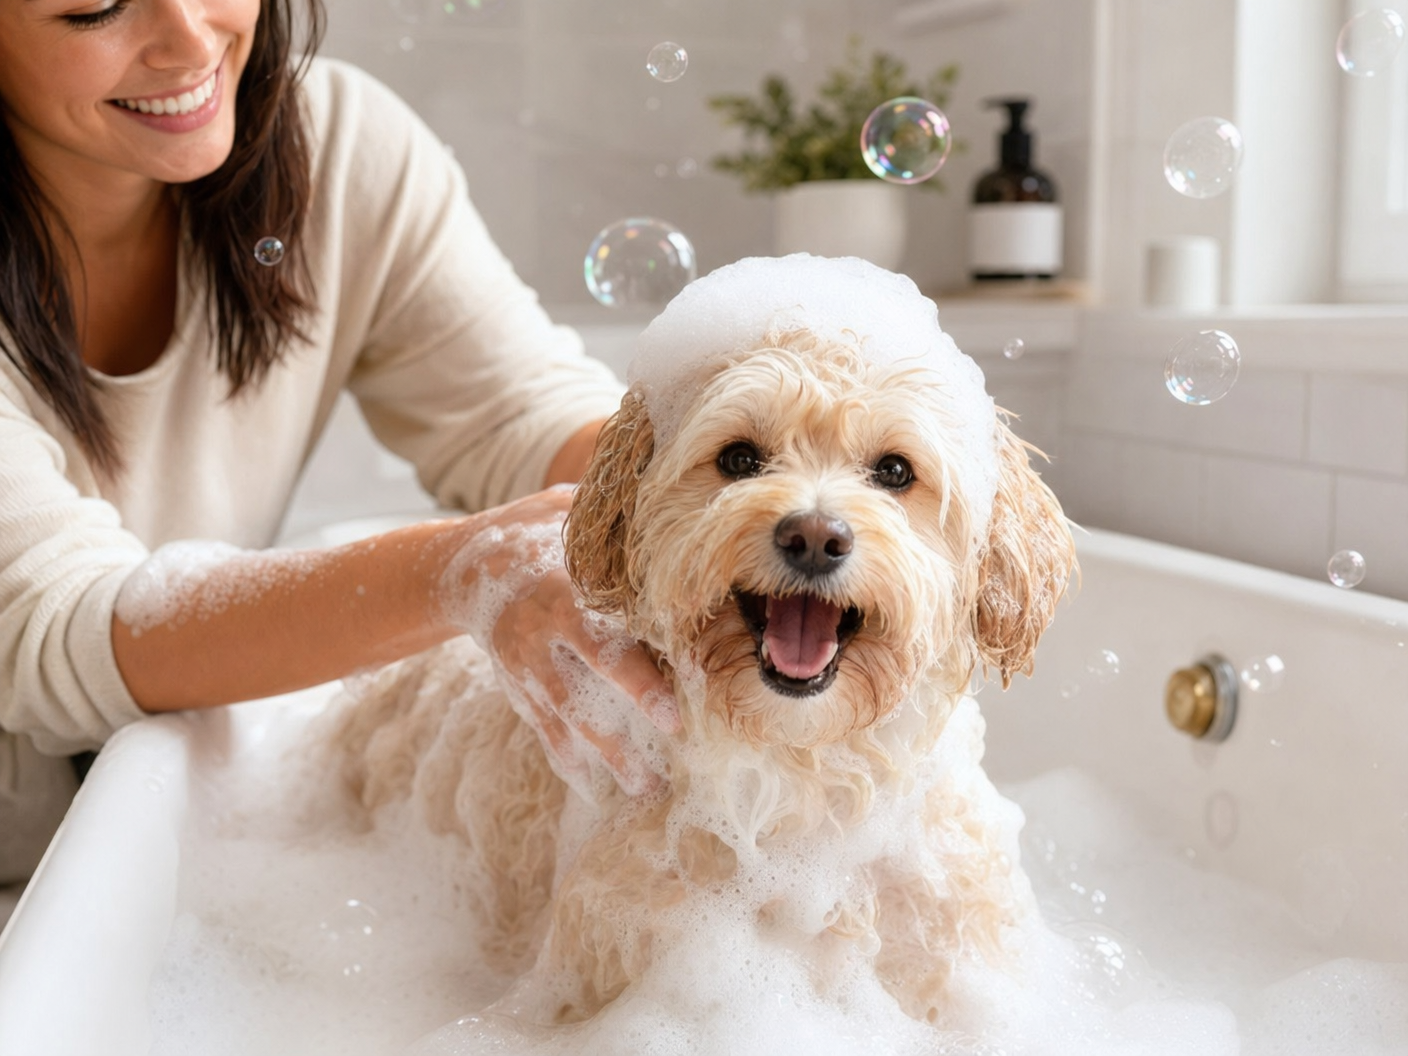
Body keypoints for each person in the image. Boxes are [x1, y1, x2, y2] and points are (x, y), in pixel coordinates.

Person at [0, 0, 676, 886]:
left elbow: (518, 413)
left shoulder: (341, 146)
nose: (192, 42)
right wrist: (454, 572)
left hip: (120, 859)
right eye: (95, 9)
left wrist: (741, 477)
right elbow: (57, 628)